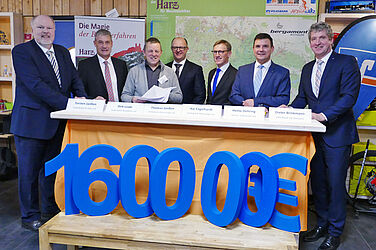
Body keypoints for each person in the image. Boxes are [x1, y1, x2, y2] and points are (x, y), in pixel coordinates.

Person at [287, 22, 360, 250]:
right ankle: (322, 223)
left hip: (338, 134)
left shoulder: (347, 63)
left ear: (331, 40)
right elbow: (302, 99)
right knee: (318, 184)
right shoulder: (308, 67)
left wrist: (323, 115)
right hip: (314, 137)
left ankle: (335, 232)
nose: (317, 43)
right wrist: (288, 109)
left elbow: (349, 97)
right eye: (313, 39)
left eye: (321, 38)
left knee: (336, 185)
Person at [11, 15, 87, 231]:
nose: (46, 31)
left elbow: (74, 79)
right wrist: (68, 103)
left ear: (54, 30)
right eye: (41, 27)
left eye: (49, 28)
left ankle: (49, 211)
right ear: (32, 29)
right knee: (28, 173)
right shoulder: (22, 52)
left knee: (50, 171)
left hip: (57, 124)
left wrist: (82, 99)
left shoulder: (62, 52)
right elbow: (36, 85)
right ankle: (30, 216)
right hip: (31, 124)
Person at [229, 33, 290, 107]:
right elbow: (234, 95)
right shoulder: (242, 71)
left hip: (268, 117)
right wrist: (247, 103)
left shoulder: (282, 73)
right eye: (257, 46)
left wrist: (256, 102)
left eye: (265, 46)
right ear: (253, 49)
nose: (261, 50)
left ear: (272, 49)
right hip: (245, 115)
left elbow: (283, 99)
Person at [121, 37, 182, 103]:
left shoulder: (170, 72)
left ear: (161, 53)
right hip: (141, 112)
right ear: (144, 53)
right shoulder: (134, 71)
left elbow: (179, 97)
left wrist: (164, 95)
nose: (153, 54)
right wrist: (133, 99)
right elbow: (124, 96)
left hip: (162, 111)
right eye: (150, 51)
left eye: (156, 51)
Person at [78, 29, 128, 102]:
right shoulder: (85, 65)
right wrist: (93, 100)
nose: (104, 46)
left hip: (119, 110)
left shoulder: (121, 65)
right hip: (96, 110)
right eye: (100, 42)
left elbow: (126, 91)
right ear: (95, 43)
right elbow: (80, 92)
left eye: (107, 42)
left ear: (112, 44)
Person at [166, 37, 206, 104]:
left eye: (181, 47)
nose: (178, 50)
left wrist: (189, 111)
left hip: (187, 112)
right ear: (171, 49)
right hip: (167, 111)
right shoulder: (164, 68)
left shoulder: (196, 70)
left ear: (187, 49)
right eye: (175, 47)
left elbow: (200, 96)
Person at [206, 40, 237, 105]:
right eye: (215, 52)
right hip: (210, 113)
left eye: (220, 52)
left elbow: (234, 99)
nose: (217, 55)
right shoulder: (211, 73)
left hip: (226, 113)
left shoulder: (236, 74)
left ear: (229, 54)